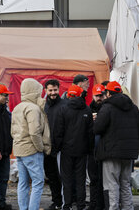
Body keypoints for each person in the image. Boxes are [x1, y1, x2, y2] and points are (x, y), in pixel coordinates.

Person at [94, 81, 139, 210]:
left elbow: (97, 129)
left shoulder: (107, 107)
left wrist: (95, 120)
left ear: (108, 93)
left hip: (110, 152)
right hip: (128, 153)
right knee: (125, 184)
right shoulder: (133, 107)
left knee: (111, 185)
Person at [11, 78, 51, 210]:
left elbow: (12, 131)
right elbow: (34, 132)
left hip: (19, 149)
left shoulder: (17, 107)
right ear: (34, 91)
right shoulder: (33, 108)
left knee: (23, 182)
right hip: (32, 150)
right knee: (38, 182)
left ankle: (23, 208)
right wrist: (40, 147)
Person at [56, 85, 94, 210]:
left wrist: (57, 147)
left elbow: (58, 132)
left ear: (68, 95)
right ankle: (80, 205)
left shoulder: (63, 109)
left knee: (66, 179)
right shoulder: (87, 110)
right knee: (80, 179)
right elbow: (90, 133)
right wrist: (89, 149)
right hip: (82, 151)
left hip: (66, 150)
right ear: (80, 95)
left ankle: (67, 205)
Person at [43, 79, 64, 210]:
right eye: (50, 90)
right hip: (47, 148)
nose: (53, 93)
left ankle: (65, 201)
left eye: (55, 90)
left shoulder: (64, 105)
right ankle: (56, 201)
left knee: (62, 176)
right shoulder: (44, 106)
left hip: (61, 148)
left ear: (59, 89)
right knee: (51, 177)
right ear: (46, 91)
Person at [87, 84, 105, 210]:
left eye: (101, 95)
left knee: (104, 180)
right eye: (97, 95)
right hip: (91, 149)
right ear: (93, 96)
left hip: (105, 149)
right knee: (93, 179)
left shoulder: (107, 109)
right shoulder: (88, 109)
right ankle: (93, 204)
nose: (99, 98)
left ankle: (103, 204)